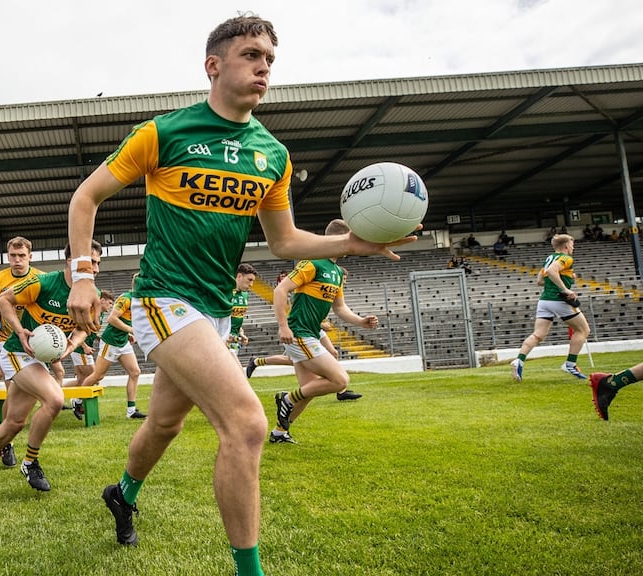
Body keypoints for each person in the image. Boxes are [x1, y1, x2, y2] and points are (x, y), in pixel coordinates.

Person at [66, 14, 415, 575]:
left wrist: (349, 244)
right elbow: (86, 197)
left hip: (213, 311)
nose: (264, 68)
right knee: (248, 423)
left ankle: (123, 493)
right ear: (214, 65)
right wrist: (83, 274)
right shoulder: (165, 132)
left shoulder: (272, 154)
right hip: (162, 296)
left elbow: (283, 243)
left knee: (164, 425)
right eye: (252, 55)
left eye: (270, 60)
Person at [0, 242, 98, 491]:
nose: (96, 268)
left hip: (38, 358)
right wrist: (20, 331)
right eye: (91, 262)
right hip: (17, 351)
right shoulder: (45, 282)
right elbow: (3, 299)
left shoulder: (91, 293)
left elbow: (85, 327)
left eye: (98, 263)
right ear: (71, 261)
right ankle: (30, 462)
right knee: (54, 400)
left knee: (15, 421)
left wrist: (71, 345)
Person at [269, 221, 380, 443]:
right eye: (349, 239)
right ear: (339, 239)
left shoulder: (338, 272)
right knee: (340, 380)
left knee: (308, 391)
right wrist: (283, 325)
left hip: (309, 333)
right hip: (299, 333)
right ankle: (286, 399)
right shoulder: (313, 263)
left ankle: (279, 433)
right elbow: (280, 290)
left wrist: (360, 321)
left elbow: (339, 307)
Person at [0, 236, 44, 467]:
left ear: (30, 256)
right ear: (7, 256)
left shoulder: (40, 278)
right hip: (8, 344)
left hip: (33, 342)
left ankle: (3, 439)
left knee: (23, 399)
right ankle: (6, 444)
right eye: (13, 256)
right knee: (13, 393)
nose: (17, 260)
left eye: (22, 256)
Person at [510, 233, 591, 383]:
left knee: (538, 334)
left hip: (545, 301)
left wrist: (567, 276)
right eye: (572, 244)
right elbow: (552, 272)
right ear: (566, 246)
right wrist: (565, 289)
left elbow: (540, 280)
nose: (573, 247)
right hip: (559, 300)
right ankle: (570, 364)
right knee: (583, 330)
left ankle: (519, 360)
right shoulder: (566, 258)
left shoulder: (549, 258)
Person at [72, 275, 146, 420]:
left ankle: (131, 411)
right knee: (97, 376)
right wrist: (131, 331)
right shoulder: (126, 298)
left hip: (123, 342)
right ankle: (78, 400)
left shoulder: (139, 301)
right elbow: (112, 319)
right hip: (110, 343)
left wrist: (128, 333)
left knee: (135, 372)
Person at [227, 263, 256, 357]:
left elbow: (237, 317)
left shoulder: (245, 295)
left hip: (235, 340)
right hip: (223, 339)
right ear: (239, 276)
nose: (251, 284)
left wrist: (241, 333)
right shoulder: (226, 293)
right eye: (249, 280)